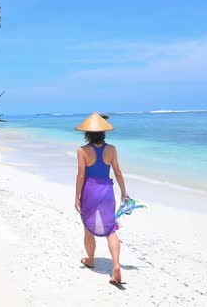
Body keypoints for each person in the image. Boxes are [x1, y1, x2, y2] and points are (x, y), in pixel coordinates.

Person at [74, 112, 129, 285]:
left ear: (86, 133)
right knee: (110, 229)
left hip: (90, 191)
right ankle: (117, 266)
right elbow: (118, 172)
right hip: (107, 190)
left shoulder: (82, 151)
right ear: (103, 132)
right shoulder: (111, 149)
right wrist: (124, 192)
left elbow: (81, 176)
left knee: (88, 227)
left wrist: (77, 196)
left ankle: (90, 260)